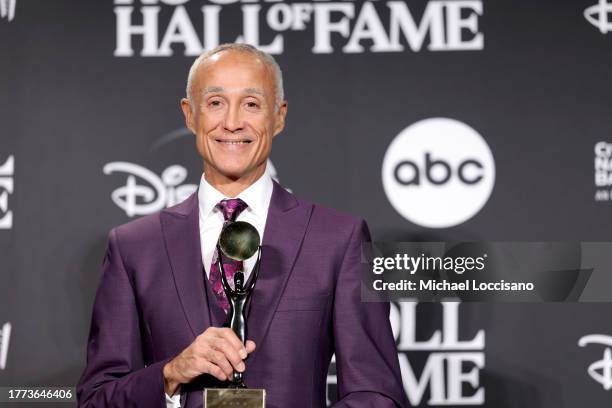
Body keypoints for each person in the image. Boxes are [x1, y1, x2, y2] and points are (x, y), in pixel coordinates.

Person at [77, 43, 406, 408]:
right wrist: (170, 375)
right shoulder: (134, 247)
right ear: (190, 115)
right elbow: (96, 400)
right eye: (216, 103)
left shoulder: (339, 240)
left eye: (251, 104)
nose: (232, 122)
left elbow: (376, 394)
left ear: (278, 116)